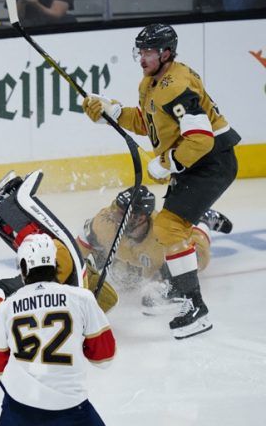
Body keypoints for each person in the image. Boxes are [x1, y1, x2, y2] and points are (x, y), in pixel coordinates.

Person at [82, 23, 240, 340]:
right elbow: (147, 122)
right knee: (171, 227)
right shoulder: (151, 83)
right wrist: (112, 111)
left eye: (149, 51)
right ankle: (188, 298)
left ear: (166, 53)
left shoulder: (177, 85)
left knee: (168, 227)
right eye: (140, 51)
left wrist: (168, 162)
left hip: (210, 163)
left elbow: (200, 139)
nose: (142, 57)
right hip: (195, 164)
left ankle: (194, 306)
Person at [0, 233, 127, 426]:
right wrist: (79, 343)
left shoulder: (7, 306)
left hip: (18, 406)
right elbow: (104, 357)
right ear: (55, 265)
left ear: (23, 267)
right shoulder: (81, 298)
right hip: (68, 406)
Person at [77, 185, 233, 315]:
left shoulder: (162, 241)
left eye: (122, 213)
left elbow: (163, 286)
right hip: (128, 255)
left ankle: (204, 219)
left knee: (199, 258)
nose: (114, 215)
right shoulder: (106, 222)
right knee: (123, 279)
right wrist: (75, 273)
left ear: (140, 218)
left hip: (157, 257)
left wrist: (155, 290)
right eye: (117, 209)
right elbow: (82, 241)